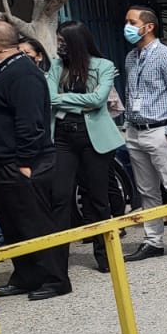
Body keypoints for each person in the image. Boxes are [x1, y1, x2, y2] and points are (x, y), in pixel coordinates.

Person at [0, 21, 70, 299]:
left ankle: (54, 279)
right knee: (14, 225)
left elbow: (30, 122)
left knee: (35, 223)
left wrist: (25, 162)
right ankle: (26, 276)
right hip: (1, 163)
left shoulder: (23, 73)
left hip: (21, 163)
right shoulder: (4, 71)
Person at [122, 6, 167, 263]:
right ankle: (152, 240)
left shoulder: (166, 56)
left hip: (160, 130)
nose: (127, 27)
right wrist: (128, 124)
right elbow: (130, 93)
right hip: (136, 130)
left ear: (149, 26)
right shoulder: (131, 57)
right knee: (146, 190)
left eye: (132, 22)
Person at [49, 22, 122, 273]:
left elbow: (99, 100)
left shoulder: (103, 66)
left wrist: (64, 99)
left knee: (98, 197)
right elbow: (50, 98)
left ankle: (105, 256)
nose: (59, 46)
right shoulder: (56, 66)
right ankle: (58, 262)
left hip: (94, 138)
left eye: (63, 41)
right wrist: (81, 102)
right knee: (60, 196)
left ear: (76, 42)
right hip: (63, 136)